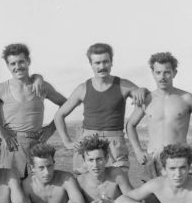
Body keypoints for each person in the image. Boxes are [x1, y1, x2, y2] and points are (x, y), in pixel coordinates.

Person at [0, 43, 66, 178]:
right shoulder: (2, 89)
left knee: (37, 189)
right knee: (12, 189)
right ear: (8, 66)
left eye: (21, 62)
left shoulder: (42, 86)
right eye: (12, 64)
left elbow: (65, 104)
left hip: (37, 144)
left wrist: (51, 128)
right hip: (12, 145)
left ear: (28, 61)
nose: (17, 67)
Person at [54, 42, 147, 174]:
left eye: (105, 62)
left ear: (111, 62)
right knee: (86, 186)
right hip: (88, 142)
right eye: (97, 63)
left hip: (115, 142)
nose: (102, 66)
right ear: (91, 64)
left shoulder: (123, 85)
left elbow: (144, 99)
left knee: (117, 184)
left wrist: (143, 90)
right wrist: (67, 141)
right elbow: (59, 115)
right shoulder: (83, 88)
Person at [127, 52, 192, 179]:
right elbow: (130, 125)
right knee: (151, 198)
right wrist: (137, 150)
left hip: (179, 158)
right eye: (158, 72)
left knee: (183, 198)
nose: (162, 77)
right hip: (153, 160)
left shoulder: (186, 98)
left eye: (167, 72)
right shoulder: (147, 100)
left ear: (174, 73)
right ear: (153, 73)